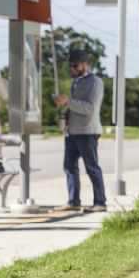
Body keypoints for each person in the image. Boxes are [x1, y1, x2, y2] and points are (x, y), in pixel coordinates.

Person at [52, 48, 106, 212]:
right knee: (69, 167)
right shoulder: (76, 82)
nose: (72, 68)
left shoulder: (95, 82)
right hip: (72, 132)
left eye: (75, 65)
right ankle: (73, 201)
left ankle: (100, 203)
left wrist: (68, 101)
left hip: (87, 132)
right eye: (70, 65)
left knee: (91, 167)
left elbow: (90, 108)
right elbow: (73, 107)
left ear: (85, 64)